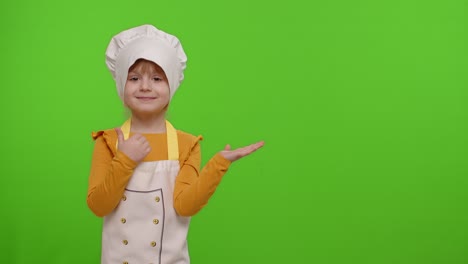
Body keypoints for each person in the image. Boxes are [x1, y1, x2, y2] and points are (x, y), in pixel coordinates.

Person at [86, 24, 264, 264]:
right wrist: (124, 159)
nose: (145, 86)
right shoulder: (108, 141)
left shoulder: (187, 144)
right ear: (121, 85)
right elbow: (99, 206)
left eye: (157, 78)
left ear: (172, 85)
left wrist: (219, 164)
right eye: (134, 78)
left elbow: (185, 206)